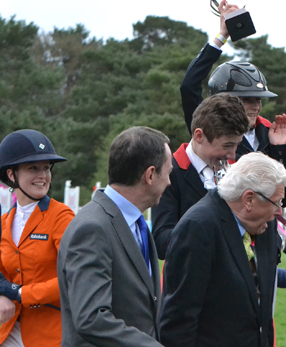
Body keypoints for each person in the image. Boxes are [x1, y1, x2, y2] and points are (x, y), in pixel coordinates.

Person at [158, 152, 286, 347]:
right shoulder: (198, 228)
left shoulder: (263, 225)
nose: (279, 211)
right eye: (276, 202)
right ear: (249, 200)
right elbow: (179, 321)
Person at [58, 126, 171, 347]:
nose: (169, 182)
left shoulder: (136, 223)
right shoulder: (92, 228)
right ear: (150, 175)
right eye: (168, 173)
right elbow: (92, 318)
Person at [180, 0, 286, 205]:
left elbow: (284, 199)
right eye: (247, 100)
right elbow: (188, 86)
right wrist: (222, 36)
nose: (256, 106)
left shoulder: (268, 131)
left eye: (258, 99)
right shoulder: (208, 126)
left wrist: (280, 149)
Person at [0, 130, 74, 347]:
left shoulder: (62, 217)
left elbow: (73, 276)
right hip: (9, 331)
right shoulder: (4, 222)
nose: (43, 175)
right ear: (12, 175)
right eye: (33, 168)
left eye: (46, 168)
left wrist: (22, 293)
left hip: (50, 334)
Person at [152, 93, 249, 258]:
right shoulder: (170, 174)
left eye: (237, 145)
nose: (232, 155)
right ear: (199, 136)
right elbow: (161, 242)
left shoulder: (239, 168)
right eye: (227, 145)